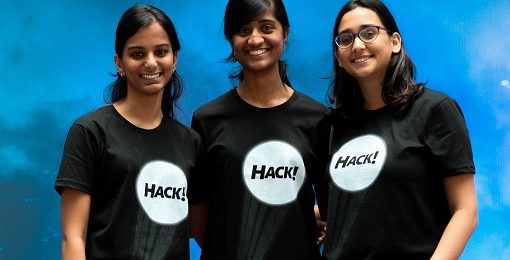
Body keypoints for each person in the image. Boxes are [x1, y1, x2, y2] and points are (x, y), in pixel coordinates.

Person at [322, 0, 478, 259]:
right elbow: (355, 204)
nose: (358, 45)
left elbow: (465, 210)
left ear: (395, 42)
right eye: (345, 39)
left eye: (368, 33)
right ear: (338, 57)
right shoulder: (334, 125)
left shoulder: (435, 110)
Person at [55, 4, 201, 259]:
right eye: (137, 54)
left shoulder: (191, 142)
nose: (151, 62)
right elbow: (73, 237)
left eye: (161, 52)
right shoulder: (90, 132)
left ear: (174, 59)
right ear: (119, 63)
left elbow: (192, 228)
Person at [189, 0, 329, 259]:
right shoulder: (207, 120)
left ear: (284, 33)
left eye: (266, 27)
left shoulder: (318, 119)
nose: (255, 39)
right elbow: (200, 213)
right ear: (231, 39)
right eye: (243, 31)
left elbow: (334, 206)